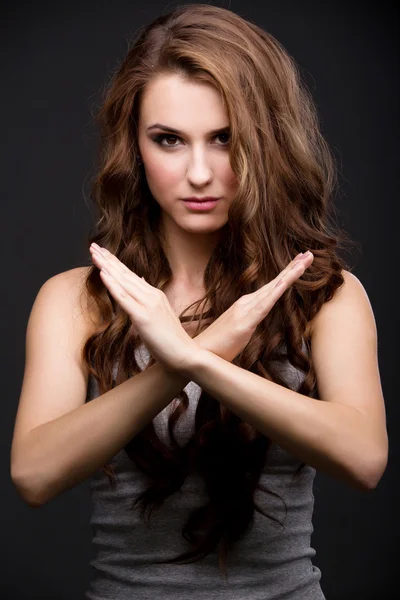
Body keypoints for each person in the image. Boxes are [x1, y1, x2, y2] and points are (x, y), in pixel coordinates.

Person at [11, 4, 388, 599]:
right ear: (134, 146)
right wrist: (183, 364)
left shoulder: (321, 295)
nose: (198, 172)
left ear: (265, 143)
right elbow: (33, 475)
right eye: (168, 140)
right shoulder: (75, 301)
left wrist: (197, 361)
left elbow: (364, 459)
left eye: (225, 140)